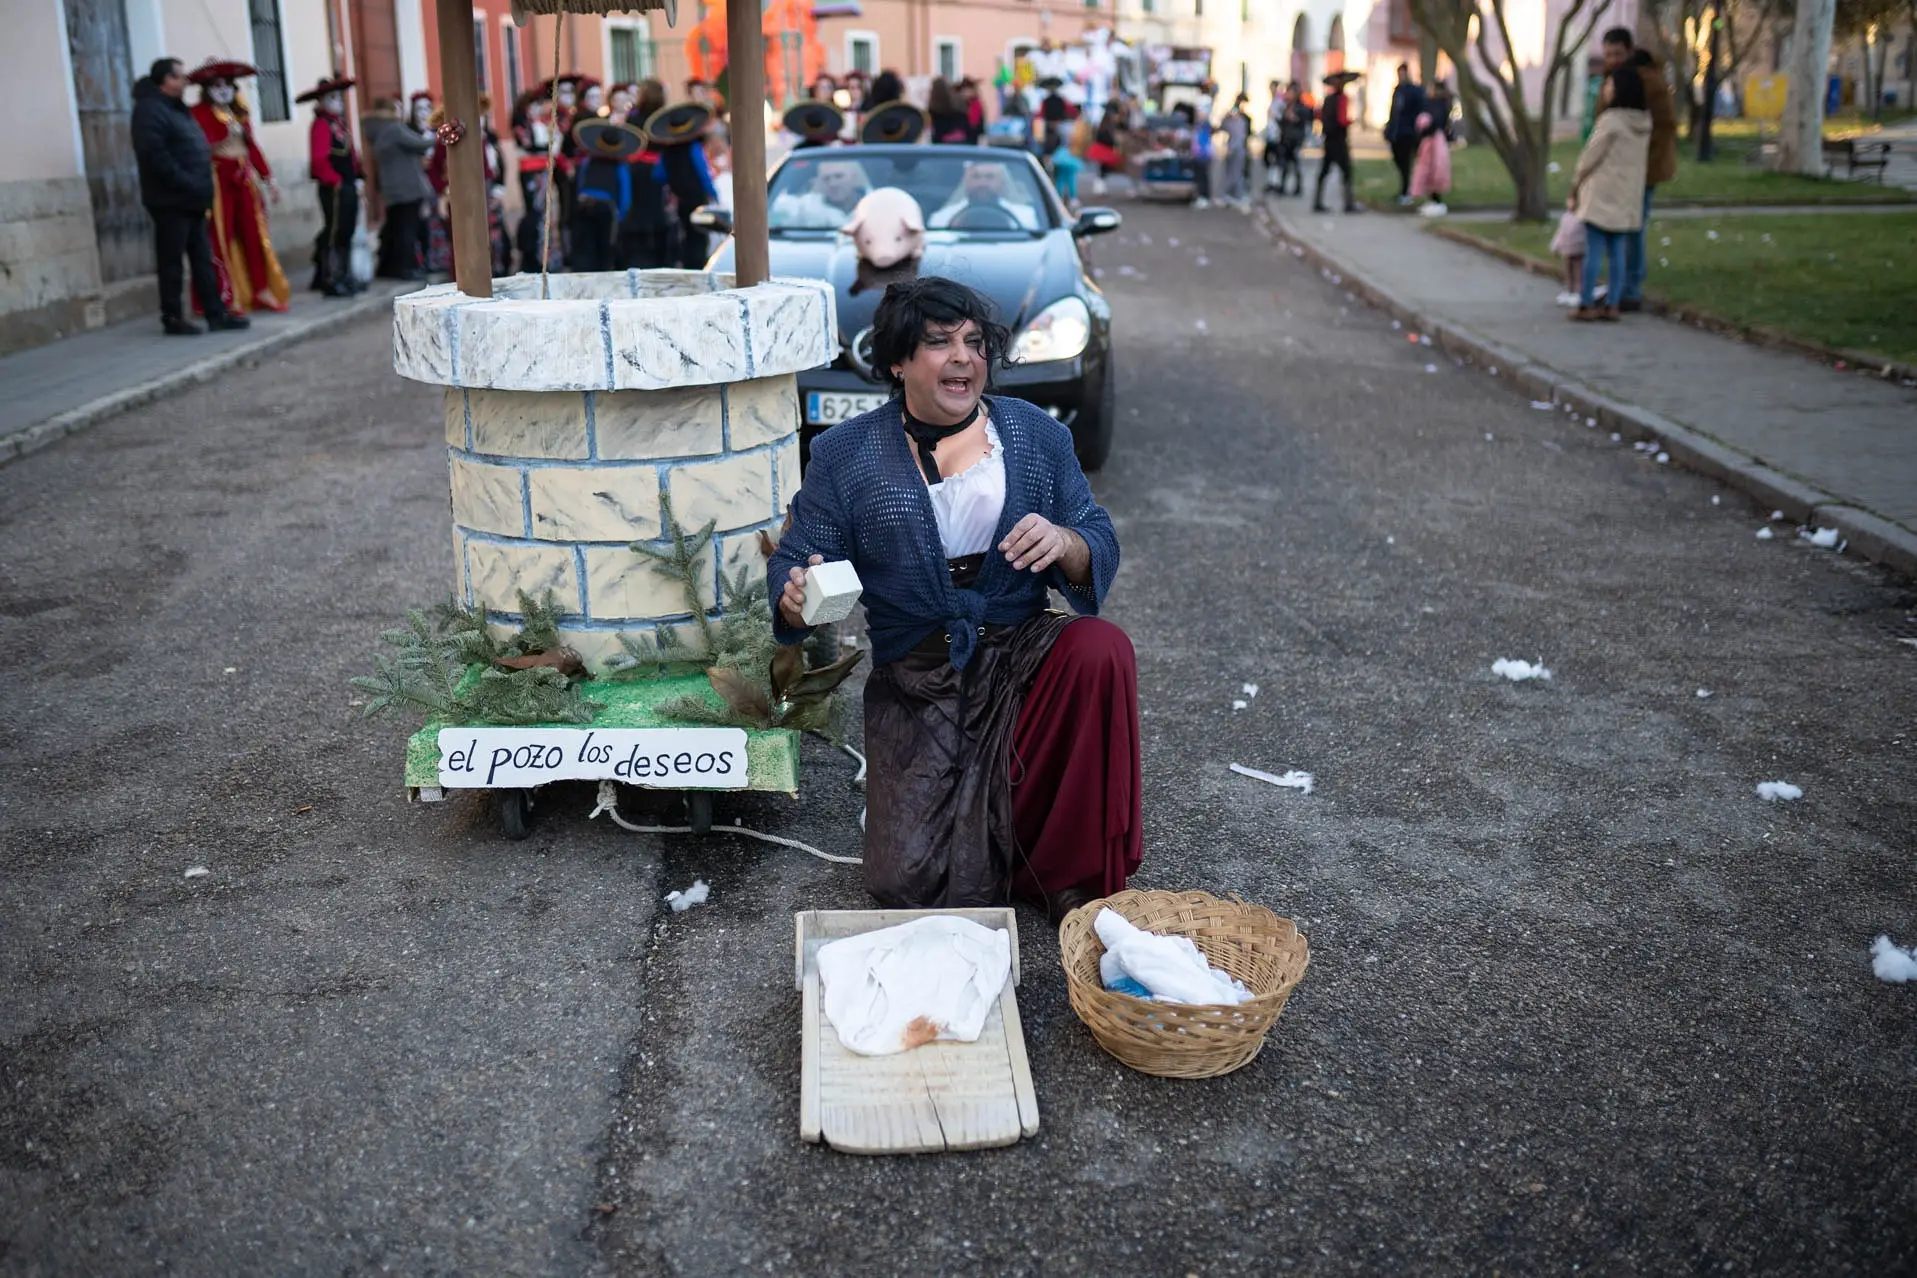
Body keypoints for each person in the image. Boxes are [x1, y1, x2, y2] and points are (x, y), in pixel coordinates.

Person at [767, 276, 1137, 921]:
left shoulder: (1034, 436)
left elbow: (1095, 536)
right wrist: (798, 595)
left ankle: (1064, 869)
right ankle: (918, 809)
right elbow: (798, 560)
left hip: (1020, 649)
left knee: (1099, 649)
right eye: (938, 343)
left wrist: (1064, 541)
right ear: (897, 362)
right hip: (918, 672)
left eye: (974, 342)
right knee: (907, 884)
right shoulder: (845, 454)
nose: (962, 356)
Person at [131, 57, 248, 334]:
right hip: (171, 200)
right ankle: (172, 317)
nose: (185, 81)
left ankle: (215, 314)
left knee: (202, 259)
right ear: (165, 81)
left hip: (193, 198)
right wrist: (186, 182)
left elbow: (192, 145)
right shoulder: (149, 111)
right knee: (172, 261)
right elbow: (155, 156)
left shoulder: (177, 108)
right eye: (179, 77)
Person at [186, 60, 289, 315]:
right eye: (216, 85)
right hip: (218, 180)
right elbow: (199, 146)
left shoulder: (239, 113)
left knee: (255, 234)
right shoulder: (198, 113)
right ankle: (226, 294)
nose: (223, 90)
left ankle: (261, 289)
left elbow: (251, 147)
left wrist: (268, 179)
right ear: (207, 88)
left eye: (227, 85)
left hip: (244, 179)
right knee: (221, 235)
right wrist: (223, 134)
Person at [1600, 29, 1678, 312]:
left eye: (1618, 54)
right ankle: (1618, 286)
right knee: (1615, 227)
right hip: (1616, 168)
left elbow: (1665, 126)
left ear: (1630, 51)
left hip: (1642, 169)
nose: (1613, 60)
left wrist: (1639, 162)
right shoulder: (1613, 78)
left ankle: (1631, 289)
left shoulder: (1650, 82)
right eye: (1608, 54)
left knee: (1633, 227)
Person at [1566, 63, 1651, 322]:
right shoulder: (1644, 122)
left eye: (1610, 84)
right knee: (1617, 252)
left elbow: (1590, 157)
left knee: (1594, 250)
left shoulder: (1610, 121)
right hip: (1626, 195)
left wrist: (1576, 183)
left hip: (1602, 194)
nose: (1606, 89)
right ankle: (1613, 303)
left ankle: (1586, 303)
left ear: (1619, 89)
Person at [298, 74, 363, 296]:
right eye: (333, 98)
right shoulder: (321, 125)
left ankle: (345, 274)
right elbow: (318, 159)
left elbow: (351, 155)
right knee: (335, 231)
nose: (338, 102)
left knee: (347, 231)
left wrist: (358, 175)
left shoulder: (339, 124)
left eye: (339, 97)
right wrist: (334, 181)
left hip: (348, 185)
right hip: (334, 188)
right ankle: (331, 277)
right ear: (322, 101)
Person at [363, 96, 433, 280]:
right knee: (406, 230)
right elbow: (420, 144)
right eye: (397, 108)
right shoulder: (394, 129)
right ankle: (405, 267)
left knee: (394, 229)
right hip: (408, 186)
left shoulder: (376, 129)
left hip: (391, 187)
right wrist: (439, 135)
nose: (401, 112)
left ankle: (386, 266)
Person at [618, 80, 672, 269]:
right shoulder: (662, 118)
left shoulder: (633, 117)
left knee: (637, 210)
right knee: (656, 210)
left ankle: (638, 253)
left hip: (635, 171)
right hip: (657, 171)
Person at [927, 160, 1040, 229]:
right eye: (976, 176)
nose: (982, 183)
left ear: (1002, 181)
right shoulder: (942, 219)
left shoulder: (1024, 217)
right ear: (966, 181)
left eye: (989, 177)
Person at [771, 158, 869, 227]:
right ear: (819, 181)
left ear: (853, 177)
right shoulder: (805, 208)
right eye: (826, 179)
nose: (833, 183)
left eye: (839, 176)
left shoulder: (875, 203)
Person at [1313, 71, 1360, 214]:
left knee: (1324, 171)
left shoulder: (1328, 99)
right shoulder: (1342, 99)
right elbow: (1342, 119)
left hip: (1329, 140)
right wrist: (1351, 121)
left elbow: (1319, 115)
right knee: (1346, 171)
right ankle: (1349, 203)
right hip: (1339, 140)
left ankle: (1317, 201)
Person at [1383, 63, 1426, 205]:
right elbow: (1394, 111)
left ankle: (1407, 191)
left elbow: (1420, 110)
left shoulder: (1415, 91)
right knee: (1399, 160)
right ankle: (1405, 189)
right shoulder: (1398, 91)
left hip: (1408, 132)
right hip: (1397, 132)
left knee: (1406, 162)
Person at [1409, 81, 1453, 216]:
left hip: (1434, 142)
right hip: (1430, 141)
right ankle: (1433, 200)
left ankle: (1437, 201)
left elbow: (1437, 122)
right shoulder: (1433, 104)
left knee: (1434, 169)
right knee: (1428, 170)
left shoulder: (1438, 105)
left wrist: (1425, 126)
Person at [1273, 82, 1311, 196]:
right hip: (1286, 139)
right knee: (1285, 164)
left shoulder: (1301, 107)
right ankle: (1282, 186)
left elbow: (1305, 121)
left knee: (1295, 163)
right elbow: (1282, 123)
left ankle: (1298, 187)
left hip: (1295, 139)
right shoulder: (1286, 106)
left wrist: (1295, 118)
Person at [1221, 93, 1252, 207]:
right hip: (1236, 147)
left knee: (1238, 172)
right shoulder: (1235, 115)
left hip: (1240, 147)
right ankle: (1233, 195)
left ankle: (1235, 195)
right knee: (1235, 172)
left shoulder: (1243, 117)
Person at [928, 77, 969, 144]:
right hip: (961, 144)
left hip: (942, 146)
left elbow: (936, 133)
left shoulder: (934, 110)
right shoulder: (960, 106)